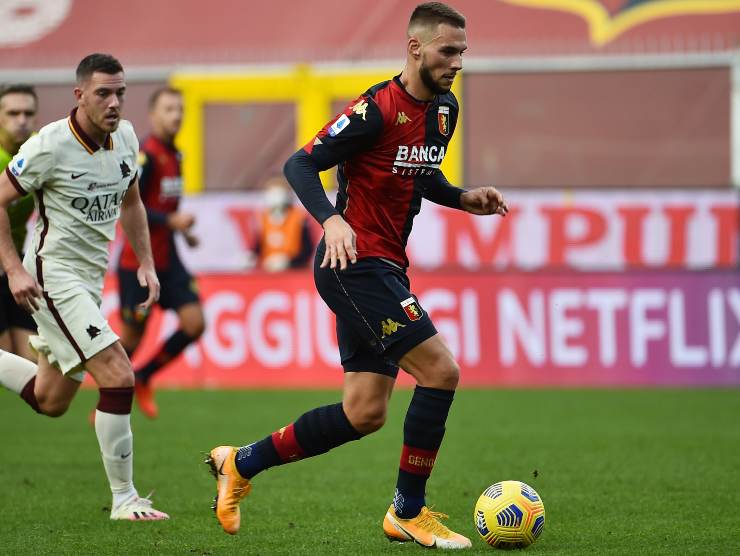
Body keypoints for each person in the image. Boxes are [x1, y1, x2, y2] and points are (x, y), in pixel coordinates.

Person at [206, 2, 508, 548]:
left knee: (364, 412)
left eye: (463, 51)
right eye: (448, 50)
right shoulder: (375, 108)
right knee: (441, 371)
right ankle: (407, 512)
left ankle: (240, 463)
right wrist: (331, 218)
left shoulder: (444, 109)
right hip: (352, 264)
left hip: (385, 265)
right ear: (415, 48)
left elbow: (418, 174)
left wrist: (463, 197)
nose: (458, 61)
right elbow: (299, 163)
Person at [0, 53, 169, 521]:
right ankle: (124, 498)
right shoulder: (49, 145)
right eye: (103, 94)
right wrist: (14, 269)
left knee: (51, 400)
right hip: (52, 275)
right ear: (79, 96)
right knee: (118, 372)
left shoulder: (126, 137)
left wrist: (147, 263)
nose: (114, 103)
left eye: (120, 93)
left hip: (88, 279)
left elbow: (132, 200)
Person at [115, 87, 204, 419]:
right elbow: (128, 207)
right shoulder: (145, 156)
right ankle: (111, 396)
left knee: (195, 323)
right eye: (169, 109)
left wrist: (183, 230)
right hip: (137, 262)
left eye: (180, 109)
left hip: (169, 259)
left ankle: (144, 376)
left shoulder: (176, 155)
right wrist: (171, 220)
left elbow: (164, 207)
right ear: (153, 115)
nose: (176, 115)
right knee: (132, 340)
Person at [0, 84, 38, 361]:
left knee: (30, 362)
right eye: (13, 113)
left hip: (15, 264)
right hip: (10, 267)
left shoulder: (41, 152)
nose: (21, 120)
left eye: (28, 113)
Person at [254, 176, 313, 272]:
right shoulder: (263, 217)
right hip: (268, 271)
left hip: (294, 271)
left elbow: (307, 249)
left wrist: (289, 262)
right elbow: (258, 246)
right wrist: (251, 256)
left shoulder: (298, 216)